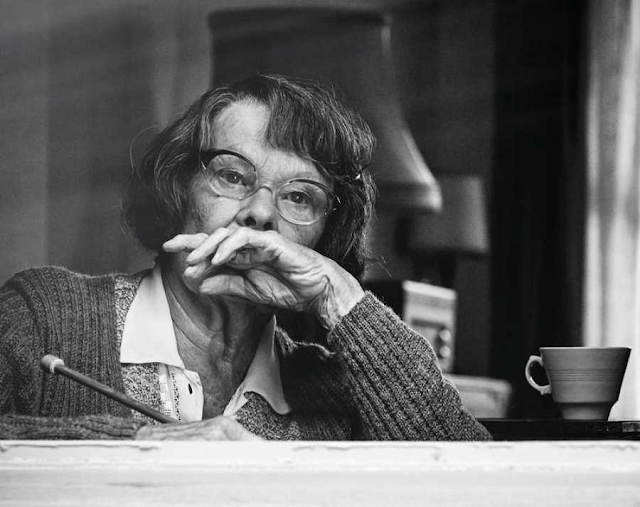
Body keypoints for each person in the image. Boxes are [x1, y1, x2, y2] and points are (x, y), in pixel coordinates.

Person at [0, 74, 491, 441]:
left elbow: (482, 481)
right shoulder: (44, 317)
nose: (260, 212)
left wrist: (342, 299)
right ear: (178, 186)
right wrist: (145, 444)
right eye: (233, 176)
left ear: (324, 236)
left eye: (299, 197)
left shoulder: (337, 390)